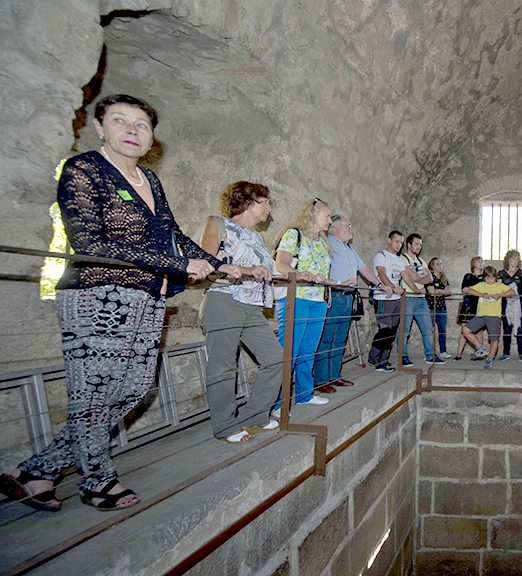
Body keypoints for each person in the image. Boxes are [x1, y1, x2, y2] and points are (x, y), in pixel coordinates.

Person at [0, 94, 241, 512]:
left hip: (148, 295)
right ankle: (97, 480)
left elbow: (171, 234)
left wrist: (221, 264)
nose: (132, 130)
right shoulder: (85, 169)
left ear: (151, 137)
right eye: (120, 121)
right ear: (99, 126)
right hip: (96, 293)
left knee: (133, 389)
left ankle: (37, 470)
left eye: (142, 124)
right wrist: (178, 263)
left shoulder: (150, 181)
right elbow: (89, 241)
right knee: (93, 392)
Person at [198, 182, 282, 444]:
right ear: (247, 200)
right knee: (223, 365)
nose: (269, 207)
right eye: (265, 201)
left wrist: (296, 275)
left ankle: (255, 414)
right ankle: (224, 425)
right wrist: (247, 271)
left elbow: (263, 271)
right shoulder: (218, 224)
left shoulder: (258, 237)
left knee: (276, 358)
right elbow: (205, 262)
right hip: (223, 300)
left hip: (252, 306)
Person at [312, 215, 390, 390]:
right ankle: (321, 380)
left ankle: (334, 375)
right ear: (336, 228)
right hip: (334, 296)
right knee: (326, 338)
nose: (351, 229)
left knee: (340, 338)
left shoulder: (348, 248)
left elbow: (363, 269)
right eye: (348, 226)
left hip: (348, 297)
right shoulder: (327, 245)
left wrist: (379, 284)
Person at [272, 198, 333, 412]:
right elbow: (282, 264)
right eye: (326, 215)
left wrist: (340, 283)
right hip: (295, 297)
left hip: (317, 299)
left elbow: (322, 275)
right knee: (290, 349)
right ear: (313, 214)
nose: (329, 220)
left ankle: (304, 394)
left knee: (308, 350)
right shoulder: (293, 235)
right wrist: (300, 274)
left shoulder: (323, 243)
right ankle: (278, 402)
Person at [368, 231, 408, 372]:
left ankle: (384, 361)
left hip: (396, 299)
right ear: (389, 240)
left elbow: (405, 276)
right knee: (384, 330)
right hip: (383, 298)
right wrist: (392, 287)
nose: (399, 245)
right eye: (397, 241)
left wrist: (416, 289)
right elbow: (381, 273)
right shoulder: (381, 255)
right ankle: (374, 358)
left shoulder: (399, 259)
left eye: (401, 242)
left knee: (392, 332)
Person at [461, 266, 515, 369]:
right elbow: (468, 290)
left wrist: (500, 295)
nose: (490, 280)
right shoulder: (481, 285)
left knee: (494, 339)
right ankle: (480, 348)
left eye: (492, 278)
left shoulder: (499, 286)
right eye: (487, 278)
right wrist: (481, 294)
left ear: (495, 277)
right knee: (465, 330)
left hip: (494, 317)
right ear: (484, 278)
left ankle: (490, 359)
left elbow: (512, 292)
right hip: (481, 315)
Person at [400, 234, 441, 366]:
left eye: (420, 245)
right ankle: (403, 355)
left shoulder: (421, 261)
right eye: (416, 244)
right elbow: (412, 276)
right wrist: (419, 278)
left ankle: (430, 355)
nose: (419, 247)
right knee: (405, 330)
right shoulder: (402, 259)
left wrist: (419, 277)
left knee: (428, 328)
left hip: (421, 298)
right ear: (409, 244)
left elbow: (429, 279)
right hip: (409, 297)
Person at [498, 249, 522, 363]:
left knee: (520, 328)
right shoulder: (501, 273)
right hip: (506, 304)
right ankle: (506, 353)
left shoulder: (521, 273)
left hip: (519, 304)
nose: (515, 261)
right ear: (508, 260)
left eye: (517, 258)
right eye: (513, 258)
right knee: (506, 328)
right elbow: (497, 288)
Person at [454, 256, 484, 360]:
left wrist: (472, 289)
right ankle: (458, 354)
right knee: (464, 330)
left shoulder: (484, 277)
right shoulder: (467, 276)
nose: (481, 263)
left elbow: (485, 290)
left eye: (482, 261)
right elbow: (464, 289)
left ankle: (479, 354)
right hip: (468, 305)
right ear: (473, 263)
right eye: (479, 261)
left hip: (479, 305)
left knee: (479, 331)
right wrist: (477, 290)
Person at [425, 258, 452, 359]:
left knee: (442, 330)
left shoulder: (443, 278)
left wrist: (438, 291)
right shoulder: (429, 277)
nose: (440, 266)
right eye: (437, 264)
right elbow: (432, 292)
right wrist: (442, 291)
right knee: (429, 331)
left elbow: (449, 292)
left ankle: (443, 351)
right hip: (431, 307)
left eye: (441, 263)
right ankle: (430, 352)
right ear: (432, 266)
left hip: (442, 307)